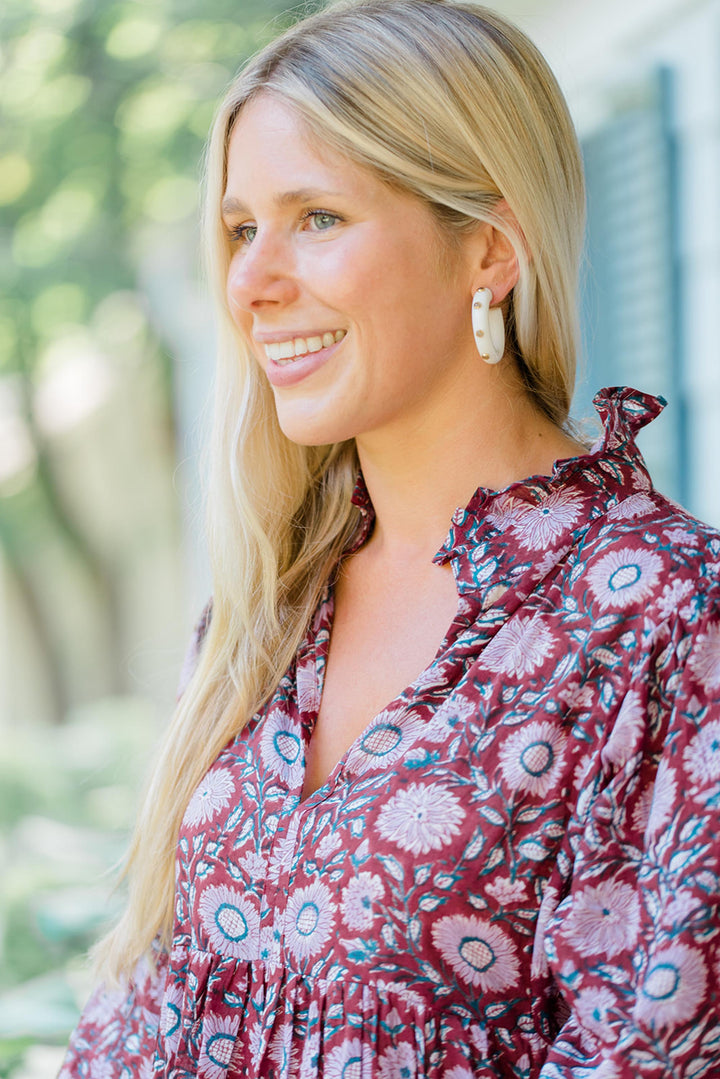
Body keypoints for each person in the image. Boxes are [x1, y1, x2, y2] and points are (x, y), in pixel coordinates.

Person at [60, 1, 720, 1076]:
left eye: (316, 216)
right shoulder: (262, 614)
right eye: (240, 229)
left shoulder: (663, 618)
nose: (252, 282)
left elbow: (656, 1042)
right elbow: (145, 1014)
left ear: (490, 253)